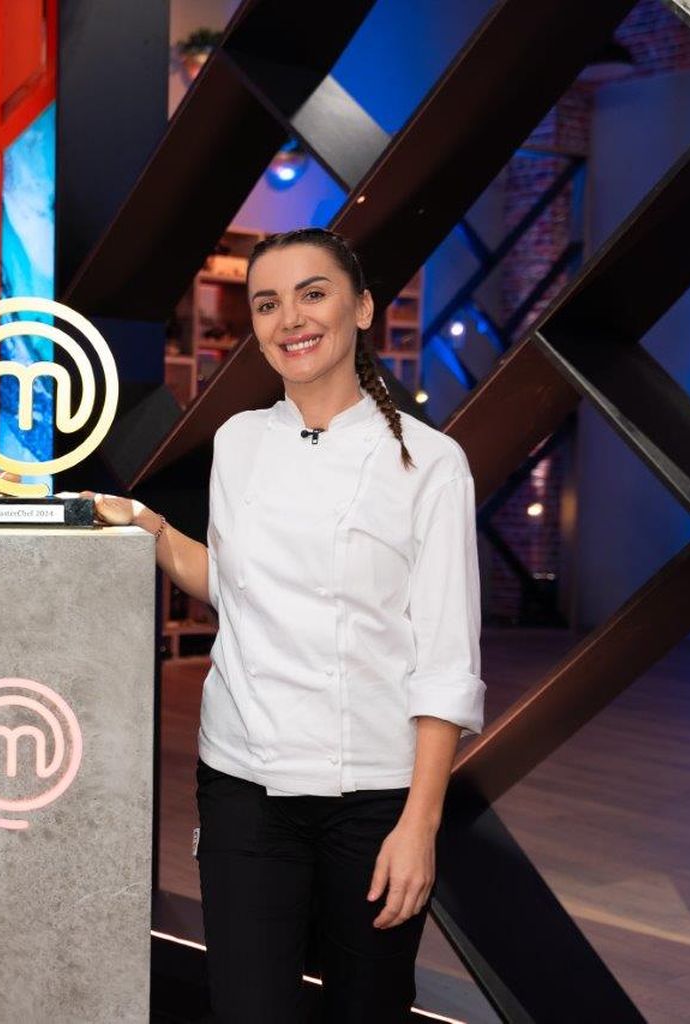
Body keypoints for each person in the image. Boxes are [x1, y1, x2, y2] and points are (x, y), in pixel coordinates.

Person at [95, 228, 484, 1022]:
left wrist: (420, 826)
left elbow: (446, 662)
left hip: (374, 797)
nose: (291, 319)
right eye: (267, 303)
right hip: (243, 783)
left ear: (361, 308)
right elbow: (237, 585)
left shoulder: (431, 462)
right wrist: (150, 529)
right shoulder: (239, 442)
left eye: (313, 294)